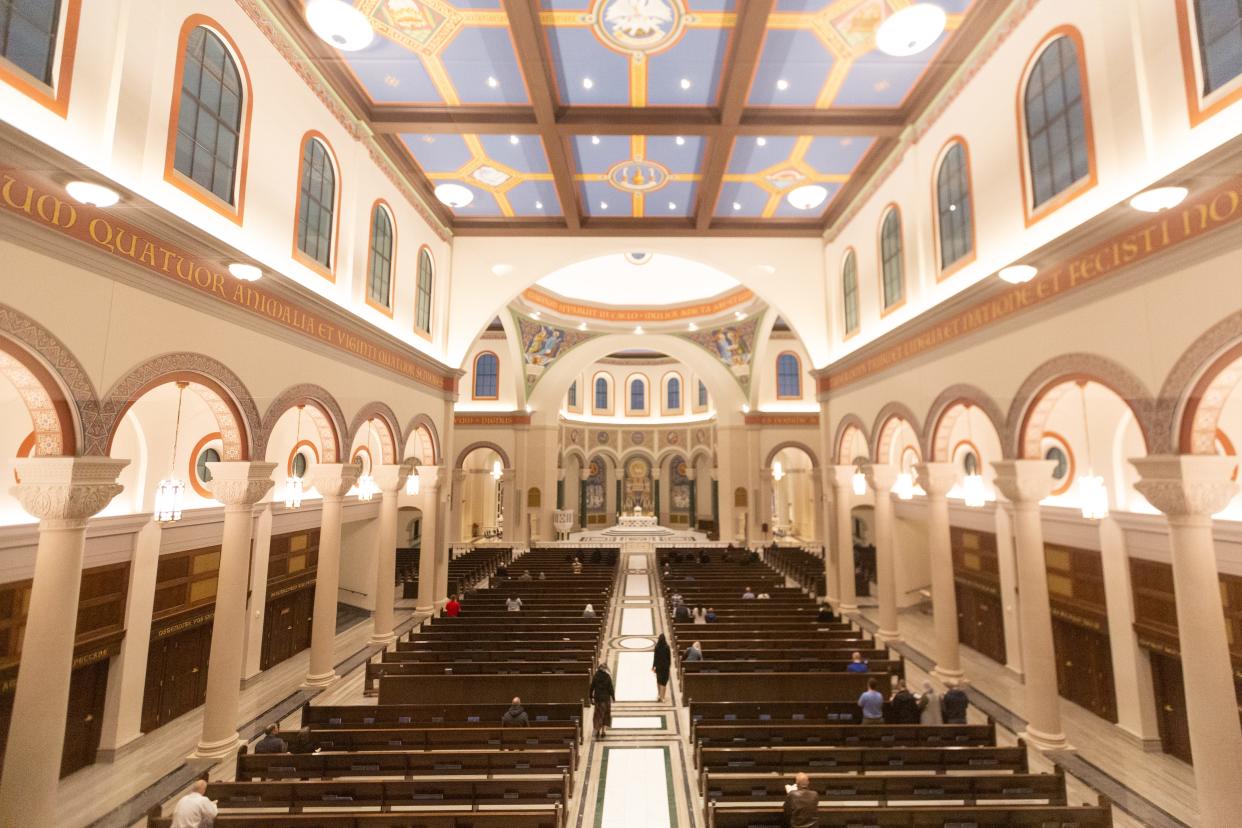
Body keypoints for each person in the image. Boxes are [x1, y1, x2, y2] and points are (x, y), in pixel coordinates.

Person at [590, 663, 615, 739]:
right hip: (605, 699)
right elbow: (610, 688)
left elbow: (591, 687)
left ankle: (597, 730)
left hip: (598, 699)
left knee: (598, 715)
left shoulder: (596, 676)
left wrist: (590, 696)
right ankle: (603, 731)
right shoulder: (607, 677)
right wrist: (613, 697)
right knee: (605, 715)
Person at [652, 633, 672, 702]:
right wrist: (669, 666)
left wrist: (653, 666)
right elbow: (669, 658)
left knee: (658, 681)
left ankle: (659, 695)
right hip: (665, 667)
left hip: (658, 667)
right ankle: (663, 698)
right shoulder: (667, 647)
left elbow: (655, 658)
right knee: (664, 682)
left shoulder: (657, 647)